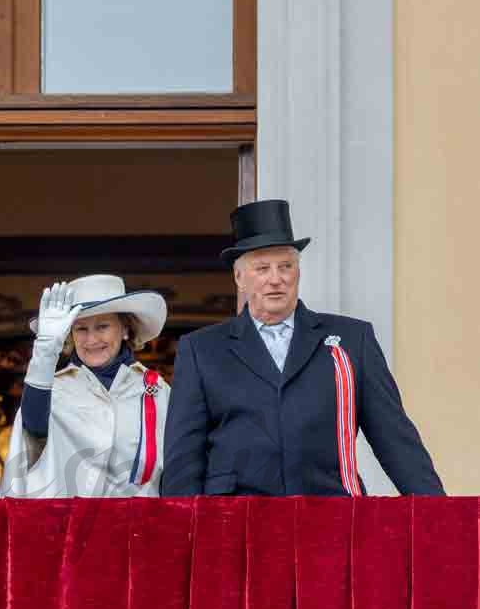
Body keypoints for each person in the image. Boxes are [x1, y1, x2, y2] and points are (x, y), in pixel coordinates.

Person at [162, 199, 444, 496]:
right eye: (262, 268)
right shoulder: (202, 349)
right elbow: (184, 457)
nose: (276, 279)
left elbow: (395, 439)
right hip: (234, 522)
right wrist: (183, 531)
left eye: (286, 266)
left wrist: (440, 520)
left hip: (331, 517)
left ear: (298, 272)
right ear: (239, 278)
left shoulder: (352, 340)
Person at [1, 275, 170, 498]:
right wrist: (46, 350)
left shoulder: (158, 391)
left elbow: (176, 469)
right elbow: (32, 429)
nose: (91, 339)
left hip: (141, 529)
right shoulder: (53, 390)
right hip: (70, 529)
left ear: (125, 328)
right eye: (81, 329)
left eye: (102, 326)